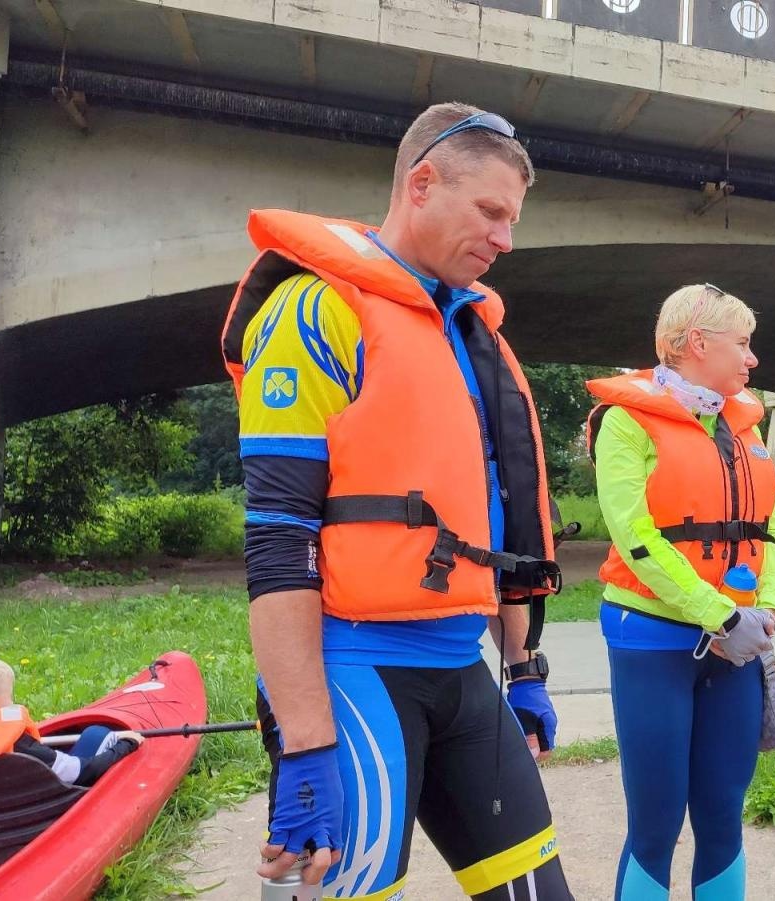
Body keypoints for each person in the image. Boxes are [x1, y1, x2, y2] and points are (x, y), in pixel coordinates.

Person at [221, 102, 571, 898]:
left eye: (512, 219)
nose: (505, 238)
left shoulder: (474, 334)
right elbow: (278, 539)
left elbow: (498, 517)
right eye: (489, 211)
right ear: (421, 184)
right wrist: (307, 743)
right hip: (355, 670)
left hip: (463, 671)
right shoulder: (314, 312)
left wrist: (524, 668)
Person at [586, 283, 775, 900]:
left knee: (724, 816)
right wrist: (720, 616)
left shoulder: (744, 424)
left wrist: (769, 608)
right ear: (698, 343)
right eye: (743, 343)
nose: (752, 359)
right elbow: (635, 537)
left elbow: (771, 523)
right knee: (655, 824)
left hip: (739, 641)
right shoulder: (625, 421)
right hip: (653, 639)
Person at [0, 657, 141, 787]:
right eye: (9, 698)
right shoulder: (21, 745)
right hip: (36, 814)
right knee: (95, 734)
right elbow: (82, 772)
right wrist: (128, 743)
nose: (13, 704)